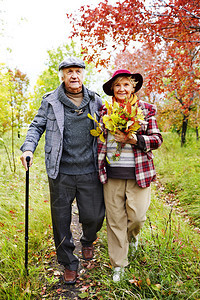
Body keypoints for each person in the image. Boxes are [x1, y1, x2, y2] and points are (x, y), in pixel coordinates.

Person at [20, 57, 105, 285]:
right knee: (61, 220)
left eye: (77, 71)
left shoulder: (96, 101)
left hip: (89, 170)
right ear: (62, 75)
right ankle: (68, 262)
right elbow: (36, 126)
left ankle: (88, 239)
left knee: (94, 216)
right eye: (69, 72)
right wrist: (28, 148)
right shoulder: (50, 101)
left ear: (83, 74)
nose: (74, 76)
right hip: (60, 171)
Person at [98, 69, 163, 282]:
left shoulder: (147, 109)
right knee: (115, 220)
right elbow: (98, 139)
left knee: (137, 217)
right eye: (117, 85)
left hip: (139, 174)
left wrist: (136, 140)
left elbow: (157, 139)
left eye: (126, 84)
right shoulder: (104, 110)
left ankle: (132, 237)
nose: (122, 89)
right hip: (112, 173)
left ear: (133, 87)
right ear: (112, 89)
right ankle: (119, 264)